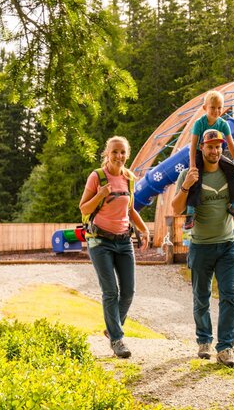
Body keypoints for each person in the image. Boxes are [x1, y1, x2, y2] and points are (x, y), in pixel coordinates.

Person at [172, 128, 234, 368]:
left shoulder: (230, 173)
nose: (215, 150)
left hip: (228, 245)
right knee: (201, 298)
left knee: (229, 297)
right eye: (210, 146)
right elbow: (177, 209)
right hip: (200, 246)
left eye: (218, 146)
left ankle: (225, 348)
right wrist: (186, 186)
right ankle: (204, 341)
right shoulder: (190, 173)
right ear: (202, 148)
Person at [79, 136, 149, 359]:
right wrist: (100, 194)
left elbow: (130, 209)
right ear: (106, 154)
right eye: (114, 152)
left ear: (127, 154)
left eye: (122, 152)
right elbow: (84, 209)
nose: (118, 156)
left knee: (128, 292)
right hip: (100, 242)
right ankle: (118, 339)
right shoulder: (97, 177)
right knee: (111, 292)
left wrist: (144, 230)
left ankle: (111, 330)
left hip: (124, 241)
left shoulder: (129, 178)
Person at [185, 90, 234, 230]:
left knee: (232, 169)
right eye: (213, 107)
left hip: (215, 153)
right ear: (205, 108)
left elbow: (231, 144)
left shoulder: (223, 123)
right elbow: (193, 145)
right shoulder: (199, 123)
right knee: (196, 177)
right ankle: (190, 212)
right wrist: (193, 164)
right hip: (201, 153)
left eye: (219, 107)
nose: (216, 110)